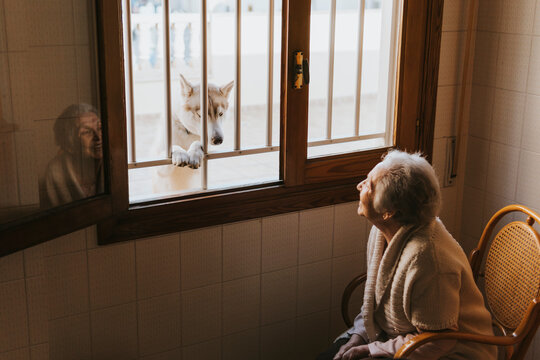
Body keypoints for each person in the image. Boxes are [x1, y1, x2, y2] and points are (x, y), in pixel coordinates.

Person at [318, 150, 496, 360]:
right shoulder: (384, 229)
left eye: (368, 185)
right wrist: (359, 335)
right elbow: (378, 302)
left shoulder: (428, 258)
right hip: (402, 337)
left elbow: (439, 341)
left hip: (452, 352)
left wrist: (371, 349)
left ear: (388, 211)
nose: (359, 186)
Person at [40, 104, 104, 208]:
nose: (98, 138)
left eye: (100, 128)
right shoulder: (55, 171)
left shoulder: (113, 162)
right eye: (87, 132)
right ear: (70, 142)